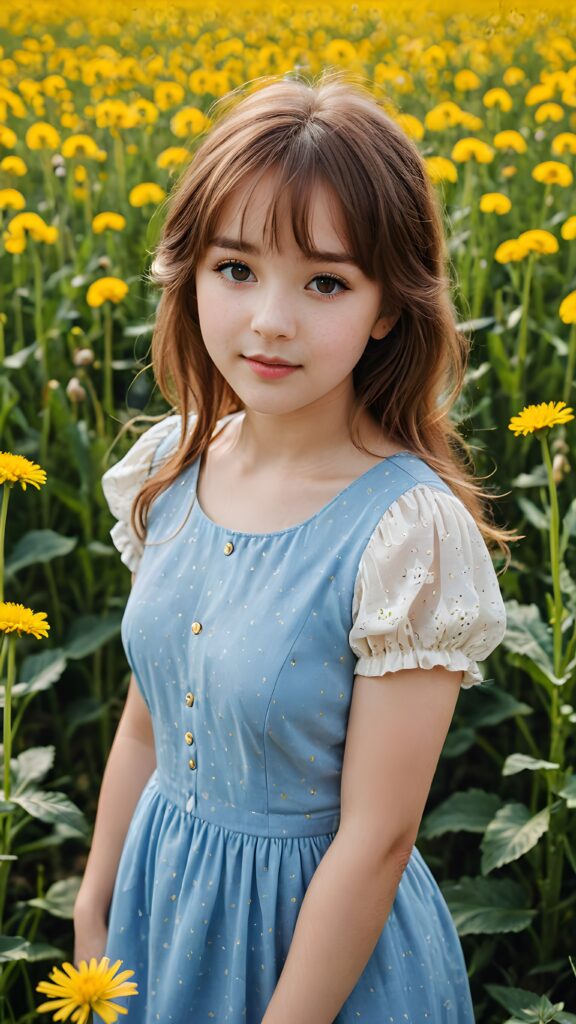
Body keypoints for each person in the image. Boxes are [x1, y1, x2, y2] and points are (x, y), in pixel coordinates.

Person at [74, 70, 515, 1023]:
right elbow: (148, 718)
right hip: (165, 909)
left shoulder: (406, 534)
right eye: (236, 270)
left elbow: (379, 836)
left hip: (317, 961)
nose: (271, 320)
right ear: (190, 274)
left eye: (324, 282)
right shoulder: (171, 462)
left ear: (389, 307)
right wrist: (95, 898)